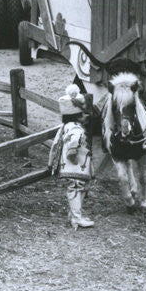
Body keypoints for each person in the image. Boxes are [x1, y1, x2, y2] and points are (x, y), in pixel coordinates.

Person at [49, 84, 95, 229]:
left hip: (75, 167)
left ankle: (75, 213)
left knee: (80, 188)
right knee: (76, 189)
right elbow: (73, 145)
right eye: (83, 114)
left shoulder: (65, 127)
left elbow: (56, 144)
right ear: (77, 116)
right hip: (74, 166)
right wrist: (73, 154)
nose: (85, 116)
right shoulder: (76, 130)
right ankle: (76, 218)